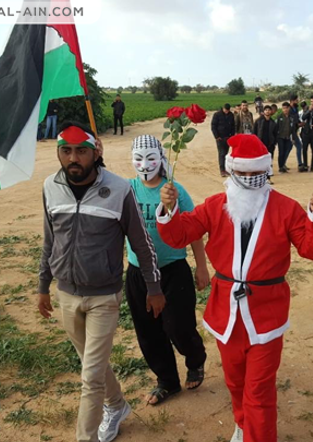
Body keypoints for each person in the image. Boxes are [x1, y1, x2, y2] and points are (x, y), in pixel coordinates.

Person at [156, 134, 313, 442]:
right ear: (231, 172)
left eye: (256, 173)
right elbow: (179, 236)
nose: (250, 179)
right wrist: (168, 210)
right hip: (226, 311)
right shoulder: (215, 205)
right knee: (235, 381)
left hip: (267, 313)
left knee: (259, 391)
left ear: (266, 170)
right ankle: (242, 422)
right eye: (244, 173)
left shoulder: (286, 208)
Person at [38, 121, 163, 442]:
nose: (73, 158)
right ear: (58, 154)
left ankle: (86, 438)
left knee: (90, 376)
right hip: (66, 294)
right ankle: (117, 405)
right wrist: (42, 286)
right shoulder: (50, 187)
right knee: (92, 363)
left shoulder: (119, 189)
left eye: (81, 151)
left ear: (96, 153)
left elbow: (141, 242)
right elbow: (50, 240)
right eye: (66, 151)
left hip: (104, 297)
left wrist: (153, 287)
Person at [126, 135, 209, 406]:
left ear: (161, 158)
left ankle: (195, 360)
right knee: (148, 332)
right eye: (138, 158)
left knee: (179, 327)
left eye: (150, 158)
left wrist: (201, 266)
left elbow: (193, 230)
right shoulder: (126, 190)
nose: (144, 164)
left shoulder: (174, 191)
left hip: (173, 269)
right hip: (139, 273)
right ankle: (167, 381)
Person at [211, 103, 236, 177]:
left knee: (226, 154)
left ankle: (226, 169)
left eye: (228, 110)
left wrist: (232, 136)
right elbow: (213, 126)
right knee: (221, 154)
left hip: (228, 137)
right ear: (223, 108)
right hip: (220, 138)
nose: (227, 112)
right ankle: (222, 170)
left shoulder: (231, 115)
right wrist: (216, 136)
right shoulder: (217, 115)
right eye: (225, 110)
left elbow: (233, 126)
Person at [253, 104, 277, 173]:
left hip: (270, 144)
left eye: (269, 110)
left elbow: (275, 133)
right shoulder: (258, 121)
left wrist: (274, 142)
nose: (267, 111)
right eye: (266, 110)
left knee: (269, 159)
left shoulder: (273, 122)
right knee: (260, 158)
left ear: (271, 112)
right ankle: (259, 172)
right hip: (260, 143)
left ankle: (269, 173)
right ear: (264, 111)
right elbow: (254, 132)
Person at [275, 102, 296, 173]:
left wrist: (293, 138)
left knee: (286, 152)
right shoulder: (279, 117)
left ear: (289, 108)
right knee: (281, 152)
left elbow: (293, 129)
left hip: (288, 137)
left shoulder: (292, 117)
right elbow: (276, 128)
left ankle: (283, 165)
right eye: (283, 108)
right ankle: (280, 167)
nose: (285, 110)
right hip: (280, 137)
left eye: (286, 108)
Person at [289, 95, 303, 169]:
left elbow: (297, 118)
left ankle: (282, 164)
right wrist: (297, 124)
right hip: (291, 132)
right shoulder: (289, 110)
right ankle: (300, 163)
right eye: (296, 100)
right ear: (292, 101)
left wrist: (300, 123)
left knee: (289, 148)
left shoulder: (295, 109)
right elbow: (291, 121)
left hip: (294, 131)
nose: (297, 101)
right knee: (298, 146)